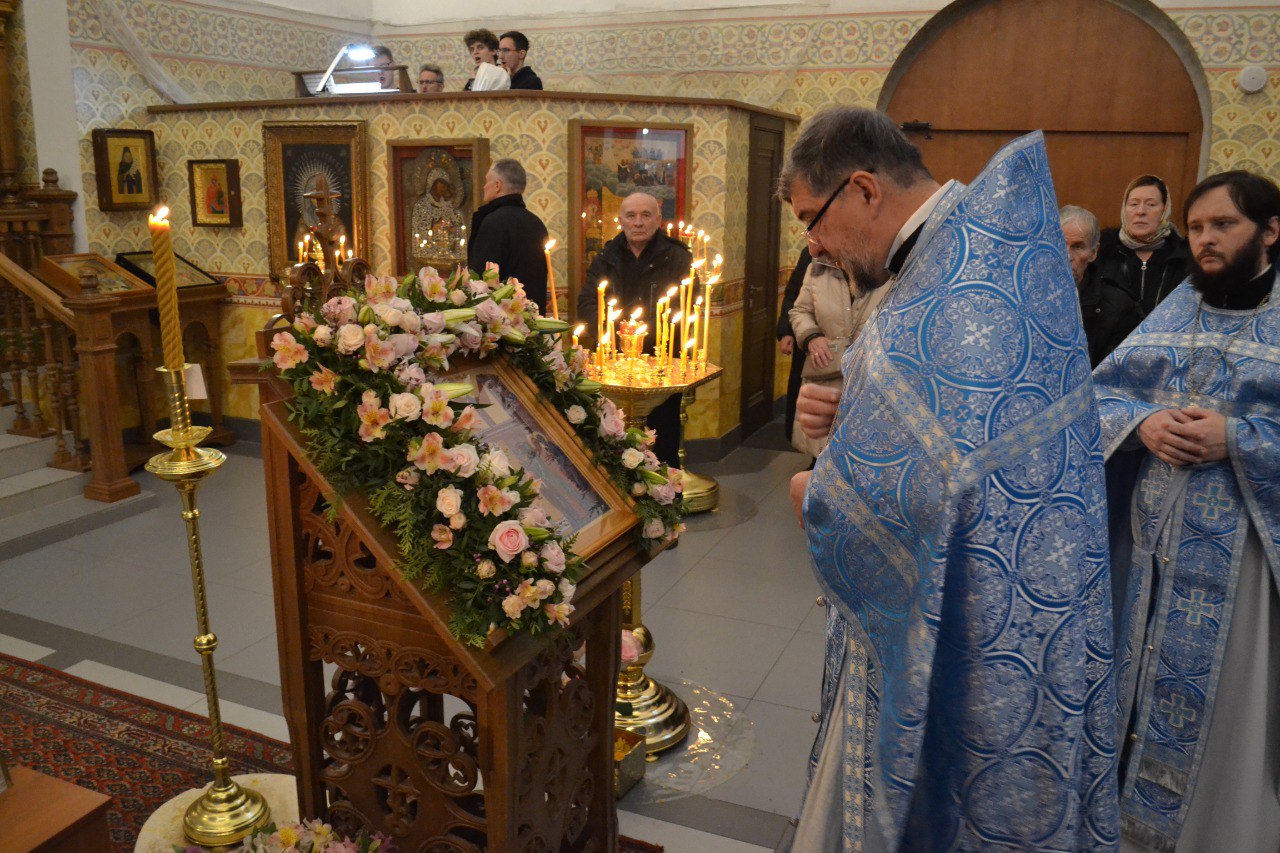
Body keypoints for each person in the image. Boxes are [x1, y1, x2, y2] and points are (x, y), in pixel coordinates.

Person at [782, 107, 1118, 850]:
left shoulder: (958, 289)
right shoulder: (964, 260)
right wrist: (846, 416)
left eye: (813, 219)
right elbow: (946, 438)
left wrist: (819, 492)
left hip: (976, 626)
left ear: (863, 189)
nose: (815, 246)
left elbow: (957, 482)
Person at [1093, 170, 1280, 852]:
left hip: (1246, 567)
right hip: (1149, 560)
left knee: (1230, 708)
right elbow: (1099, 396)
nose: (1205, 239)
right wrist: (1141, 423)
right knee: (1135, 688)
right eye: (1197, 227)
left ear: (1270, 231)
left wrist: (1239, 438)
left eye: (1223, 225)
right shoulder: (1178, 310)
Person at [576, 192, 692, 467]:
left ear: (658, 219)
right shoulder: (606, 256)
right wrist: (617, 335)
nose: (638, 222)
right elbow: (587, 302)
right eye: (631, 216)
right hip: (614, 364)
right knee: (613, 441)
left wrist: (640, 335)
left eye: (645, 215)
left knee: (661, 443)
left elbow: (683, 308)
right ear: (621, 220)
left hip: (660, 368)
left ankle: (664, 491)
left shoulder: (677, 257)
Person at [787, 257, 884, 458]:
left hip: (871, 378)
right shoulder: (818, 268)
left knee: (863, 451)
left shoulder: (888, 268)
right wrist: (812, 337)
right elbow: (800, 311)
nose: (814, 248)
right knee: (822, 453)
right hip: (827, 372)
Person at [1095, 175, 1192, 332]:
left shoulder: (1183, 256)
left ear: (1164, 209)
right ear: (1124, 209)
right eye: (1133, 204)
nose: (1140, 212)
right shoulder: (1102, 252)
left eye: (1151, 204)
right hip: (1112, 345)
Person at [1062, 204, 1142, 366]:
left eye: (1078, 246)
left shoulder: (1119, 307)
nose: (1067, 256)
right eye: (1059, 244)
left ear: (1093, 252)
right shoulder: (1022, 297)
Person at [467, 158, 548, 309]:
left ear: (497, 185)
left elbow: (479, 279)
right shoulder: (537, 224)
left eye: (487, 181)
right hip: (532, 314)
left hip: (501, 317)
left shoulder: (493, 222)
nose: (484, 186)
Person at [776, 248, 811, 448]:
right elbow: (793, 295)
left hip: (839, 346)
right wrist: (786, 331)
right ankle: (810, 453)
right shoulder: (810, 253)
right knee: (803, 398)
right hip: (805, 341)